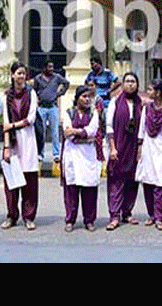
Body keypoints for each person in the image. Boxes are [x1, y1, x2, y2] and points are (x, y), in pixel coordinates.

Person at [3, 61, 40, 230]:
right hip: (13, 142)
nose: (21, 76)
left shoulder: (31, 94)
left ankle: (29, 216)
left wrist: (13, 125)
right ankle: (12, 215)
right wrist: (6, 147)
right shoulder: (7, 96)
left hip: (28, 140)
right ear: (12, 75)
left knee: (29, 182)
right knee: (12, 180)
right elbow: (4, 122)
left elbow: (31, 119)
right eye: (18, 73)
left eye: (23, 73)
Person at [105, 71, 143, 231]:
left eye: (133, 81)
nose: (130, 84)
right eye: (127, 81)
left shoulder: (141, 103)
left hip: (134, 148)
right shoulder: (115, 102)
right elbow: (109, 126)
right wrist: (112, 148)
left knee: (132, 181)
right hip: (119, 147)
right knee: (116, 181)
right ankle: (114, 215)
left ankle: (127, 212)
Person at [61, 86, 102, 232]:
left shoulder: (93, 113)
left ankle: (89, 220)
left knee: (89, 189)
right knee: (71, 189)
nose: (87, 99)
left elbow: (93, 131)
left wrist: (77, 132)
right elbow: (67, 133)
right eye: (84, 96)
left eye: (89, 97)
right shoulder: (68, 113)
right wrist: (84, 136)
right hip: (72, 155)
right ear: (77, 98)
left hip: (88, 156)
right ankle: (70, 219)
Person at [136, 80, 162, 231]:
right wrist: (140, 147)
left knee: (161, 183)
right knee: (148, 181)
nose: (148, 92)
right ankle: (151, 214)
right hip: (148, 147)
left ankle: (160, 217)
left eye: (151, 90)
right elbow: (142, 128)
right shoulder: (146, 108)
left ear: (158, 93)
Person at [33, 60, 70, 165]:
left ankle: (56, 154)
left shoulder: (57, 77)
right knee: (41, 132)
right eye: (49, 67)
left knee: (54, 131)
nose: (51, 69)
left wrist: (60, 93)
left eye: (52, 67)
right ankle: (40, 153)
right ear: (44, 68)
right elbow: (34, 90)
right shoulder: (38, 79)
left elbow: (66, 83)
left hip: (53, 107)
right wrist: (38, 98)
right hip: (42, 108)